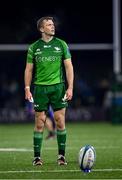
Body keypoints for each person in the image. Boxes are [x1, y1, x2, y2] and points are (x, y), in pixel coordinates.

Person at [24, 16, 74, 166]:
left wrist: (70, 87)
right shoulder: (34, 47)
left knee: (60, 121)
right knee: (39, 123)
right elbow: (29, 69)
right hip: (40, 88)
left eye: (53, 24)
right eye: (49, 25)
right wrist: (27, 88)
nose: (52, 27)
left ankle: (61, 156)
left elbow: (69, 67)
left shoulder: (61, 44)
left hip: (58, 87)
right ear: (41, 29)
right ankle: (37, 157)